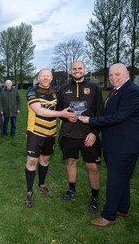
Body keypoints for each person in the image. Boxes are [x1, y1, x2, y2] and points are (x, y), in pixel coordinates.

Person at [79, 63, 139, 227]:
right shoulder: (116, 91)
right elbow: (107, 113)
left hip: (124, 146)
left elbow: (117, 117)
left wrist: (90, 121)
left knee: (115, 180)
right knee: (122, 178)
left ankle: (108, 216)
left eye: (117, 75)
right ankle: (122, 208)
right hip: (115, 144)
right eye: (111, 75)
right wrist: (93, 126)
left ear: (127, 73)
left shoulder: (132, 92)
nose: (113, 78)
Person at [57, 61, 104, 213]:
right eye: (74, 69)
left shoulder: (94, 88)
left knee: (93, 167)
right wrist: (65, 117)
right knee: (71, 161)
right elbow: (59, 110)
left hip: (88, 135)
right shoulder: (64, 88)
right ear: (70, 71)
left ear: (85, 70)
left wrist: (94, 133)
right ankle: (72, 190)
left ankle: (95, 197)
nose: (77, 71)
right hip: (68, 134)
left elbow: (101, 113)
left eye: (80, 68)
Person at [24, 69, 74, 207]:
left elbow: (65, 106)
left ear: (51, 77)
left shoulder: (55, 92)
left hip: (51, 132)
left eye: (47, 75)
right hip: (35, 132)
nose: (45, 78)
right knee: (32, 161)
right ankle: (29, 192)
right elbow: (39, 110)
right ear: (38, 77)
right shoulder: (32, 91)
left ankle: (42, 184)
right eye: (42, 75)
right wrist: (61, 114)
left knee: (45, 159)